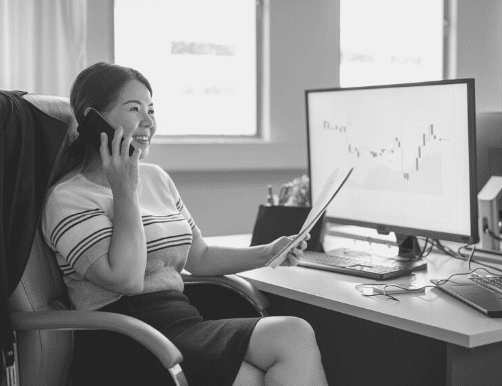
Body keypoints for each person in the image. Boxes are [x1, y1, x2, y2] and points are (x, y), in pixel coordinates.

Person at [41, 62, 328, 386]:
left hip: (183, 321)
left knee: (294, 332)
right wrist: (124, 191)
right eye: (134, 109)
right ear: (95, 119)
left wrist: (269, 252)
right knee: (254, 379)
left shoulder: (156, 178)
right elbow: (127, 279)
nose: (148, 122)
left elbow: (199, 256)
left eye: (151, 110)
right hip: (126, 336)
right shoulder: (68, 198)